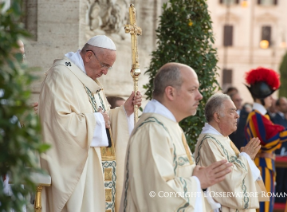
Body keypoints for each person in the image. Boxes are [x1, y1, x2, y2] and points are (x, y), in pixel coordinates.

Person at [38, 35, 142, 212]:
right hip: (79, 171)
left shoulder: (88, 79)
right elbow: (57, 123)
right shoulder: (61, 75)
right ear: (89, 56)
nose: (106, 72)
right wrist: (97, 121)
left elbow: (104, 118)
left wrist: (125, 111)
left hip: (97, 168)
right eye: (104, 65)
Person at [120, 63, 233, 212]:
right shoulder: (153, 130)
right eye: (192, 90)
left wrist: (195, 174)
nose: (199, 96)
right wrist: (198, 180)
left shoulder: (167, 125)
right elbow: (157, 195)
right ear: (170, 93)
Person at [244, 67, 287, 212]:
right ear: (261, 97)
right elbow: (272, 137)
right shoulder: (256, 116)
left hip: (265, 165)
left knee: (266, 206)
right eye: (269, 95)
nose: (272, 99)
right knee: (262, 208)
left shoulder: (261, 116)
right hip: (261, 167)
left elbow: (274, 133)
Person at [194, 93, 263, 212]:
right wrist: (245, 157)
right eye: (232, 112)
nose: (237, 115)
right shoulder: (209, 142)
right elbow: (227, 180)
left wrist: (244, 158)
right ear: (217, 117)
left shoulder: (222, 138)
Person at [270, 97, 287, 203]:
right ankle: (279, 204)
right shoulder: (275, 119)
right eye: (283, 104)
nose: (286, 106)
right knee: (280, 181)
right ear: (277, 106)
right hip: (281, 153)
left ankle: (286, 202)